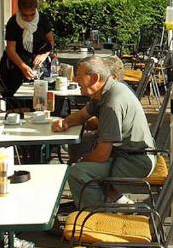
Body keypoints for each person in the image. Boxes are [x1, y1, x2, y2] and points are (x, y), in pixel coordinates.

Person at [52, 56, 155, 206]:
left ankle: (94, 213)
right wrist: (65, 122)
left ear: (94, 78)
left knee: (77, 172)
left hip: (134, 162)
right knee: (78, 145)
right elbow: (82, 115)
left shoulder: (112, 103)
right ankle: (111, 199)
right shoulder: (105, 90)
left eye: (78, 75)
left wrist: (80, 162)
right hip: (126, 154)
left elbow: (101, 155)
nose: (75, 79)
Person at [0, 0, 56, 94]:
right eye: (25, 15)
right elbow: (10, 50)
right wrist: (23, 67)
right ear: (20, 11)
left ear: (36, 9)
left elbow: (51, 41)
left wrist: (43, 55)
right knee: (18, 98)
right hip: (17, 65)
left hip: (40, 64)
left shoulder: (42, 19)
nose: (29, 18)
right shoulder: (13, 23)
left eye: (32, 14)